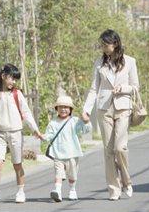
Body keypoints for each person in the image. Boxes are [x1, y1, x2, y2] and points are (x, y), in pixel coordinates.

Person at [81, 29, 139, 201]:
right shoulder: (99, 63)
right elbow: (94, 89)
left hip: (123, 107)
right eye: (102, 45)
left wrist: (123, 88)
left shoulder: (130, 62)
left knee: (120, 148)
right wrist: (86, 109)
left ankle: (127, 181)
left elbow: (136, 86)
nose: (103, 48)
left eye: (106, 45)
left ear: (115, 43)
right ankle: (114, 189)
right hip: (104, 108)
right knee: (108, 151)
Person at [0, 64, 44, 205]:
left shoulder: (17, 94)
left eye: (16, 80)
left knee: (17, 164)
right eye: (12, 79)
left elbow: (26, 113)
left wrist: (35, 130)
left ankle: (21, 191)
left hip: (15, 133)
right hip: (0, 134)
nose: (14, 82)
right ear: (3, 77)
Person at [44, 95, 91, 202]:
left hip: (72, 153)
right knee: (58, 173)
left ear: (70, 109)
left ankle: (72, 189)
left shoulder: (74, 121)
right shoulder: (53, 122)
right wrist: (43, 137)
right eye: (60, 107)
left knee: (72, 174)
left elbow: (84, 130)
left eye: (66, 107)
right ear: (57, 109)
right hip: (57, 153)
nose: (63, 109)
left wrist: (86, 122)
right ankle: (57, 191)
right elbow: (49, 135)